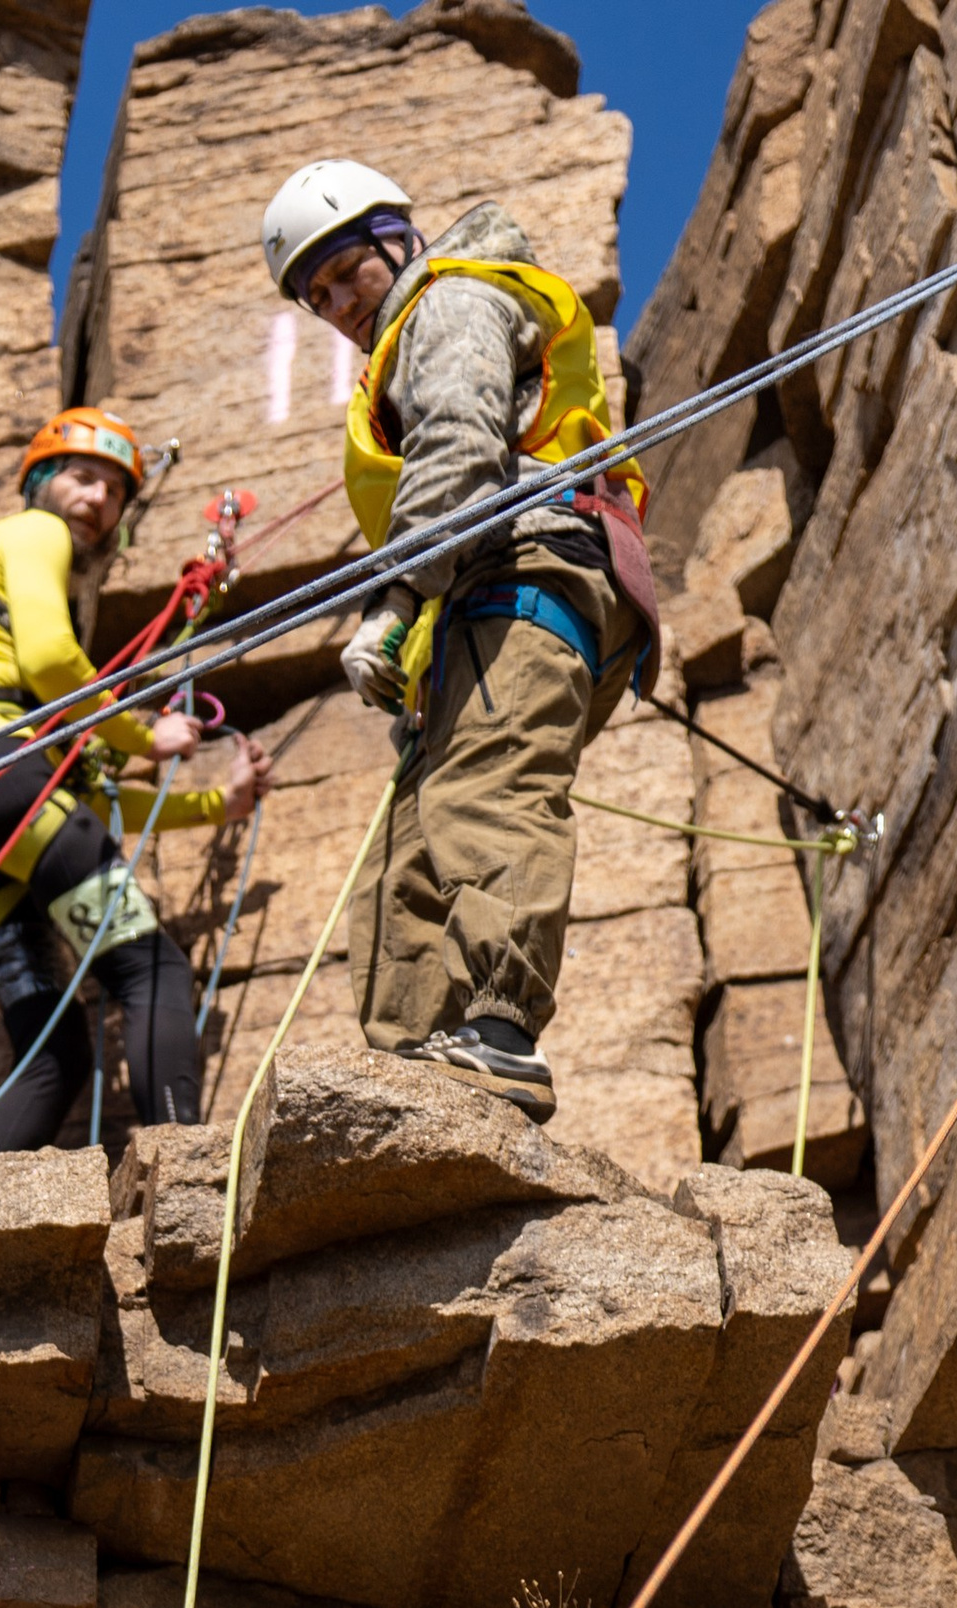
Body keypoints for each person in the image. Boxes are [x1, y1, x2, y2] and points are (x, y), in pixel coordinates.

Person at [261, 163, 659, 1124]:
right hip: (477, 606)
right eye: (316, 297)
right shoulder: (400, 338)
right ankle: (416, 1079)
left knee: (487, 792)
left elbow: (461, 444)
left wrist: (396, 599)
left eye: (347, 271)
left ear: (397, 237)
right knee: (412, 865)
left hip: (529, 571)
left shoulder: (452, 302)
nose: (339, 304)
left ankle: (500, 1033)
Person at [0, 403, 271, 1157]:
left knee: (56, 1052)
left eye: (114, 491)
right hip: (1, 784)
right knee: (152, 970)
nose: (98, 499)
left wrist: (218, 804)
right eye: (80, 477)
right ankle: (184, 1176)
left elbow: (81, 807)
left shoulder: (4, 612)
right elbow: (49, 660)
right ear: (39, 483)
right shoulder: (32, 535)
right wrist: (147, 734)